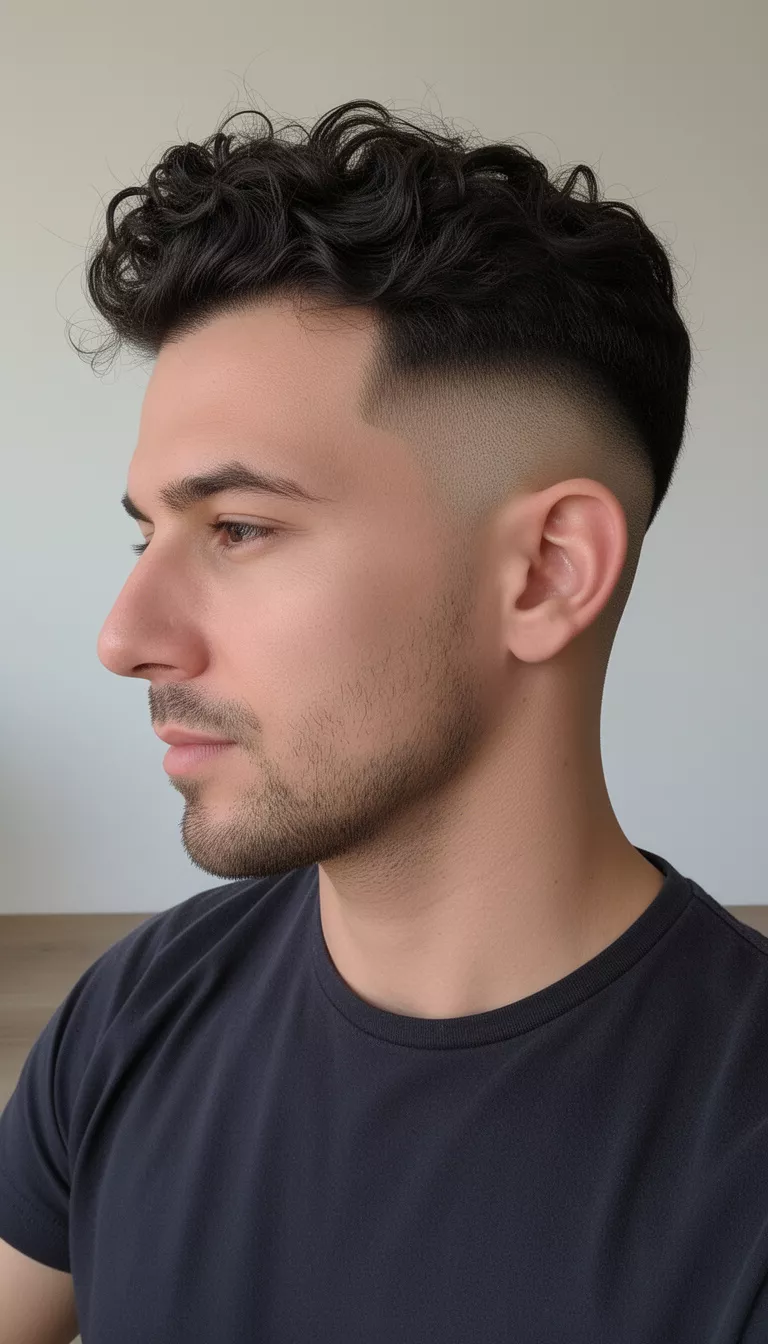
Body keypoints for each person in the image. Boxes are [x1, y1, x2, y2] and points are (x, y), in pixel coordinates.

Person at [1, 98, 766, 1344]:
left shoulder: (736, 1177)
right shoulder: (136, 1007)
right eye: (147, 535)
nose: (125, 635)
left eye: (238, 528)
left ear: (546, 573)